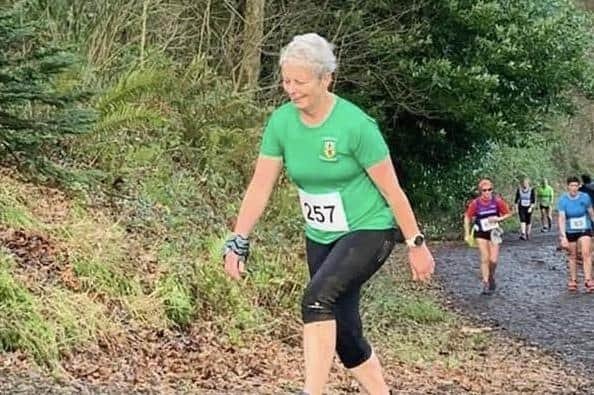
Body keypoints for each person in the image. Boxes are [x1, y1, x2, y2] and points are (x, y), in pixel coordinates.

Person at [221, 33, 434, 395]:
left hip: (369, 229)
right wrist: (238, 240)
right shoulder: (281, 123)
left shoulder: (355, 126)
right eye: (286, 80)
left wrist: (415, 243)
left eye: (300, 81)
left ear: (325, 79)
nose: (291, 89)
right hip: (321, 234)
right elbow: (260, 185)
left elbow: (392, 190)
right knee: (346, 334)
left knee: (316, 299)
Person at [464, 179, 512, 294]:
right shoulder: (476, 203)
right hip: (481, 232)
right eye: (484, 190)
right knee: (485, 257)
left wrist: (498, 219)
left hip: (494, 232)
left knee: (493, 260)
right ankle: (485, 282)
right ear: (480, 191)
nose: (487, 192)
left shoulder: (497, 202)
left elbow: (508, 213)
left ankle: (491, 276)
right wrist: (466, 233)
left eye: (489, 190)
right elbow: (467, 217)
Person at [557, 176, 594, 292]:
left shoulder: (585, 197)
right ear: (568, 186)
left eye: (576, 186)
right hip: (570, 229)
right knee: (572, 255)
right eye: (571, 185)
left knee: (586, 253)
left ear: (579, 186)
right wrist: (563, 236)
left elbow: (591, 213)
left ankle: (588, 280)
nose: (573, 188)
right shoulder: (563, 200)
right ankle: (573, 280)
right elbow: (562, 218)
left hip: (584, 228)